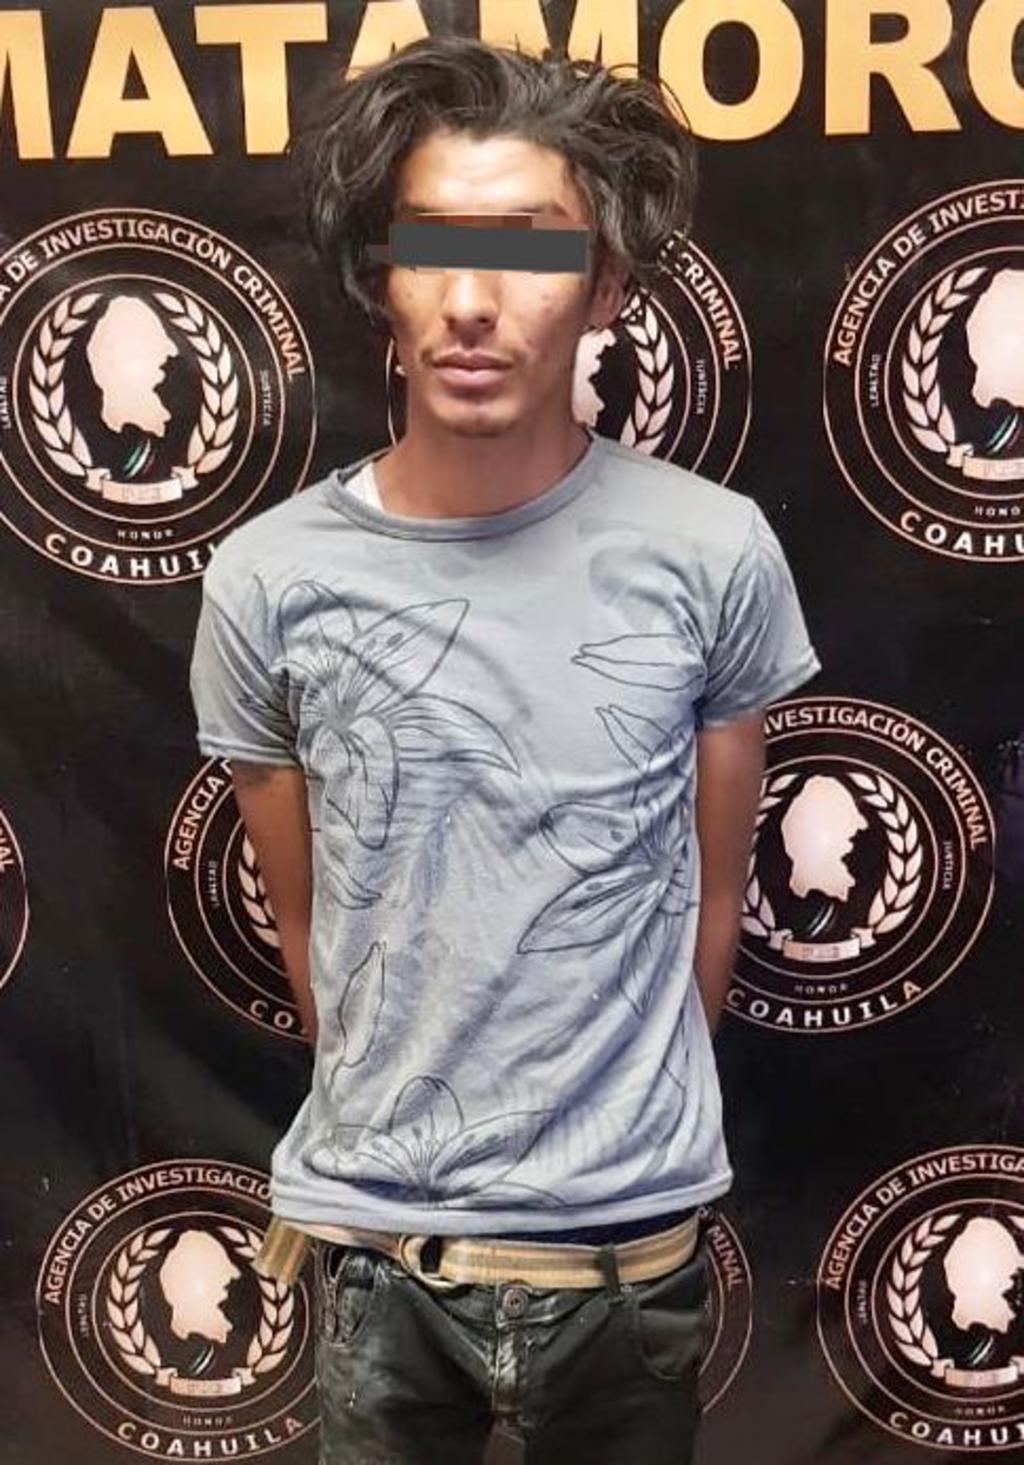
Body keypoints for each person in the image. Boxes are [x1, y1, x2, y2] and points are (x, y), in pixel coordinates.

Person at [189, 35, 820, 1465]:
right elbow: (308, 926)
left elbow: (715, 902)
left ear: (606, 287)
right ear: (381, 282)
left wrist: (618, 1131)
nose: (473, 302)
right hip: (378, 1259)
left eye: (528, 250)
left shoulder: (713, 553)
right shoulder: (268, 578)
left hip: (630, 1261)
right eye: (432, 247)